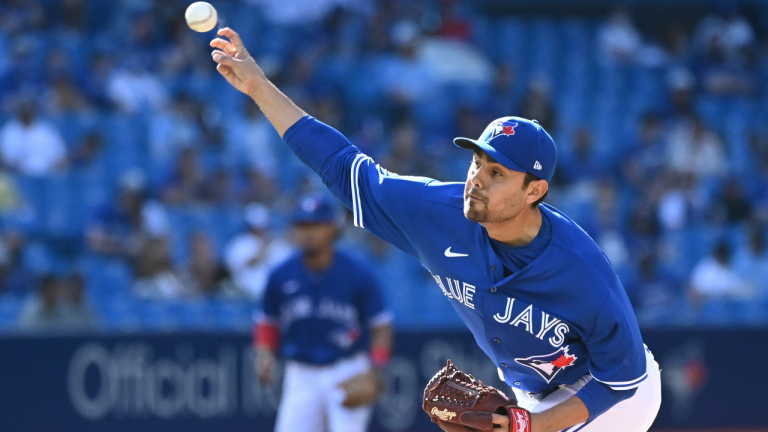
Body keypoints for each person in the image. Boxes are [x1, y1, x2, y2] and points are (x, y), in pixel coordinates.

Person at [211, 27, 660, 432]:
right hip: (530, 396)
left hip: (608, 396)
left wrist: (532, 426)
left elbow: (620, 380)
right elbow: (340, 165)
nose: (477, 178)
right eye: (477, 161)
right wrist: (258, 87)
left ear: (534, 191)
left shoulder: (580, 268)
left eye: (498, 172)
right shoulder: (436, 212)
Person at [254, 195, 393, 432]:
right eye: (302, 225)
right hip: (302, 372)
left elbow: (381, 327)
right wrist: (264, 354)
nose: (308, 232)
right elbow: (267, 323)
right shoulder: (280, 275)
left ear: (332, 228)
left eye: (316, 225)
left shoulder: (358, 273)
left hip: (347, 369)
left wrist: (375, 369)